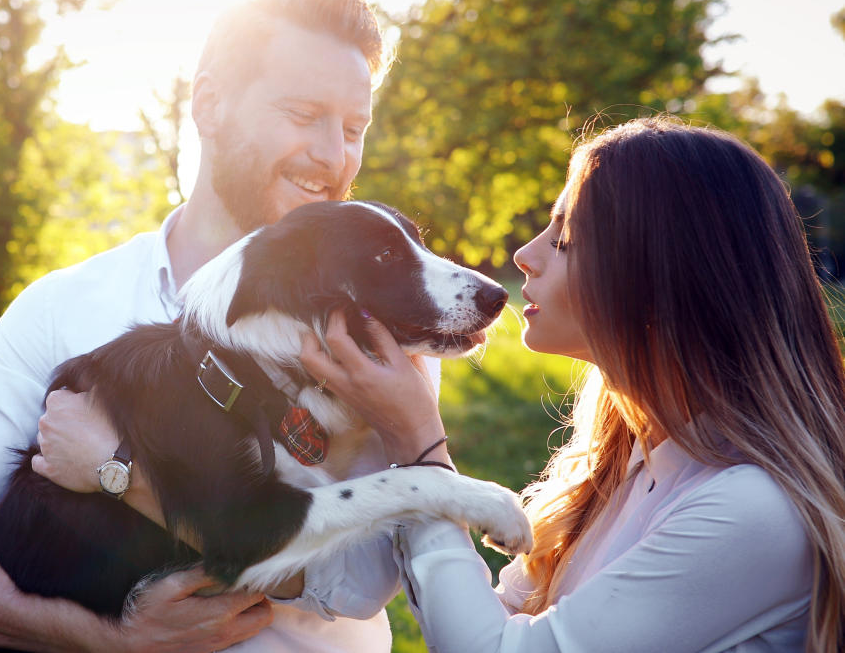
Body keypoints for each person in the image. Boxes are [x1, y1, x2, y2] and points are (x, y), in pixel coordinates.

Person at [0, 0, 421, 650]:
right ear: (210, 104)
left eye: (354, 128)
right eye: (304, 116)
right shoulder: (64, 308)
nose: (334, 157)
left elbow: (364, 578)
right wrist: (108, 638)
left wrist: (121, 472)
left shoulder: (381, 320)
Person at [297, 117, 845, 652]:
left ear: (660, 276)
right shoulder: (624, 465)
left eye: (565, 238)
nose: (524, 255)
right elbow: (470, 620)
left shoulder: (754, 509)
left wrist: (418, 446)